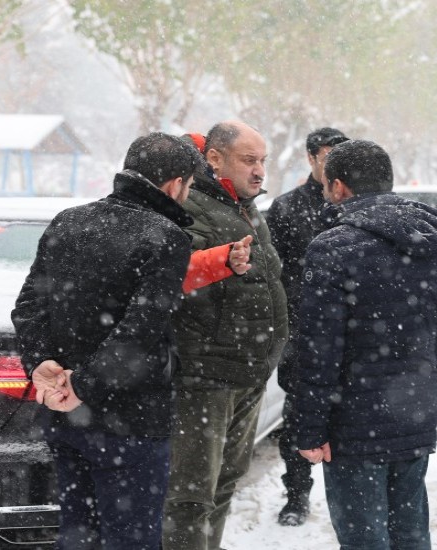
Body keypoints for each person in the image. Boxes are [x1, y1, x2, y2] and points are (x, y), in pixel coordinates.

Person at [11, 133, 204, 549]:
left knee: (79, 533)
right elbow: (139, 331)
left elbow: (29, 306)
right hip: (130, 419)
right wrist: (83, 386)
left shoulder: (69, 220)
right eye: (189, 185)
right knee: (131, 537)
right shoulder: (166, 236)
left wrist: (42, 363)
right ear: (175, 184)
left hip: (66, 419)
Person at [291, 139, 437, 550]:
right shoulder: (431, 244)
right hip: (413, 412)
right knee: (411, 534)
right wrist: (432, 403)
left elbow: (319, 350)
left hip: (354, 425)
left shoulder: (332, 248)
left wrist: (310, 427)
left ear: (339, 187)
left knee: (364, 539)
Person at [163, 121, 289, 550]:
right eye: (249, 160)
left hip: (247, 373)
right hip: (205, 378)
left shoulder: (242, 206)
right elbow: (174, 271)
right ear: (214, 159)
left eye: (263, 161)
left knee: (223, 483)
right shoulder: (189, 204)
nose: (259, 171)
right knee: (191, 495)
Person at [264, 126, 349, 526]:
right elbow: (273, 274)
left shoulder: (357, 206)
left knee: (350, 420)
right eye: (328, 158)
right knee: (298, 420)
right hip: (301, 332)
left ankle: (348, 496)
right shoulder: (287, 208)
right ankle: (296, 496)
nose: (334, 168)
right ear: (311, 158)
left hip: (351, 333)